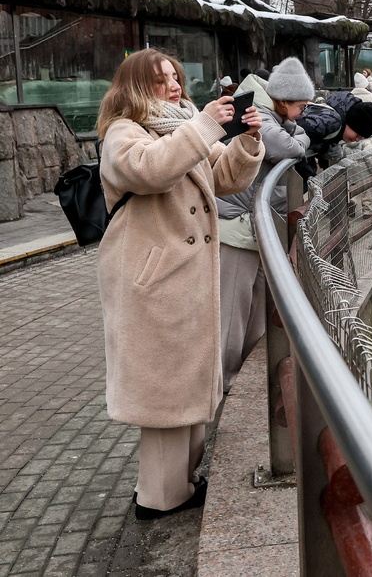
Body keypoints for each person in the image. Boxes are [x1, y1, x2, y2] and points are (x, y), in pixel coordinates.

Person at [96, 48, 264, 520]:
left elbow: (226, 176)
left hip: (183, 280)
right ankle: (159, 498)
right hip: (154, 283)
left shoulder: (181, 124)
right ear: (134, 87)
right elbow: (151, 170)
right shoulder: (124, 133)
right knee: (165, 394)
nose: (173, 85)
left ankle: (182, 482)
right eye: (159, 79)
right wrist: (206, 125)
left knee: (187, 384)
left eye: (175, 76)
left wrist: (248, 140)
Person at [216, 57, 312, 393]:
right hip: (236, 225)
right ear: (284, 100)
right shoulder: (252, 112)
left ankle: (238, 378)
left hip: (253, 226)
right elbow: (287, 145)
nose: (302, 113)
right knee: (233, 311)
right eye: (300, 106)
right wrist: (296, 140)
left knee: (254, 309)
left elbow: (299, 138)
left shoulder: (270, 113)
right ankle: (223, 384)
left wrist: (296, 137)